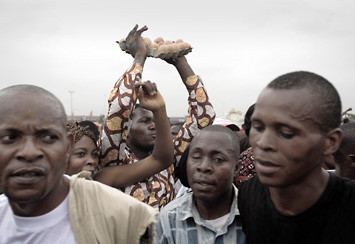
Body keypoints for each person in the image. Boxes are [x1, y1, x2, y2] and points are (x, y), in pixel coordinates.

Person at [0, 84, 158, 243]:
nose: (29, 153)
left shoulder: (125, 217)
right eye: (9, 138)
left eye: (47, 137)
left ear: (67, 146)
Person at [238, 71, 355, 244]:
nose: (263, 143)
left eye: (286, 132)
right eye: (258, 127)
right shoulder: (249, 194)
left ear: (330, 142)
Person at [96, 25, 215, 209]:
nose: (154, 126)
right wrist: (139, 58)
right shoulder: (113, 158)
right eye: (144, 121)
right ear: (126, 127)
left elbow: (203, 116)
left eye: (155, 121)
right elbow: (120, 106)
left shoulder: (170, 159)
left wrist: (181, 63)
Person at [155, 125, 245, 243]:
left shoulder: (255, 215)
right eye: (196, 157)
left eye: (218, 159)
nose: (203, 167)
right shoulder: (169, 218)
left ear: (236, 168)